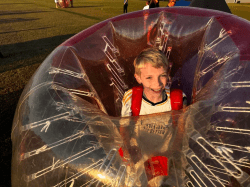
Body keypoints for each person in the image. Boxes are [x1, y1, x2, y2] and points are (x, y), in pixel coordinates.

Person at [121, 48, 186, 117]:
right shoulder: (131, 98)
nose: (157, 83)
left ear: (167, 75)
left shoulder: (179, 99)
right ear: (138, 78)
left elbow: (182, 127)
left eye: (162, 76)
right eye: (149, 77)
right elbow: (125, 126)